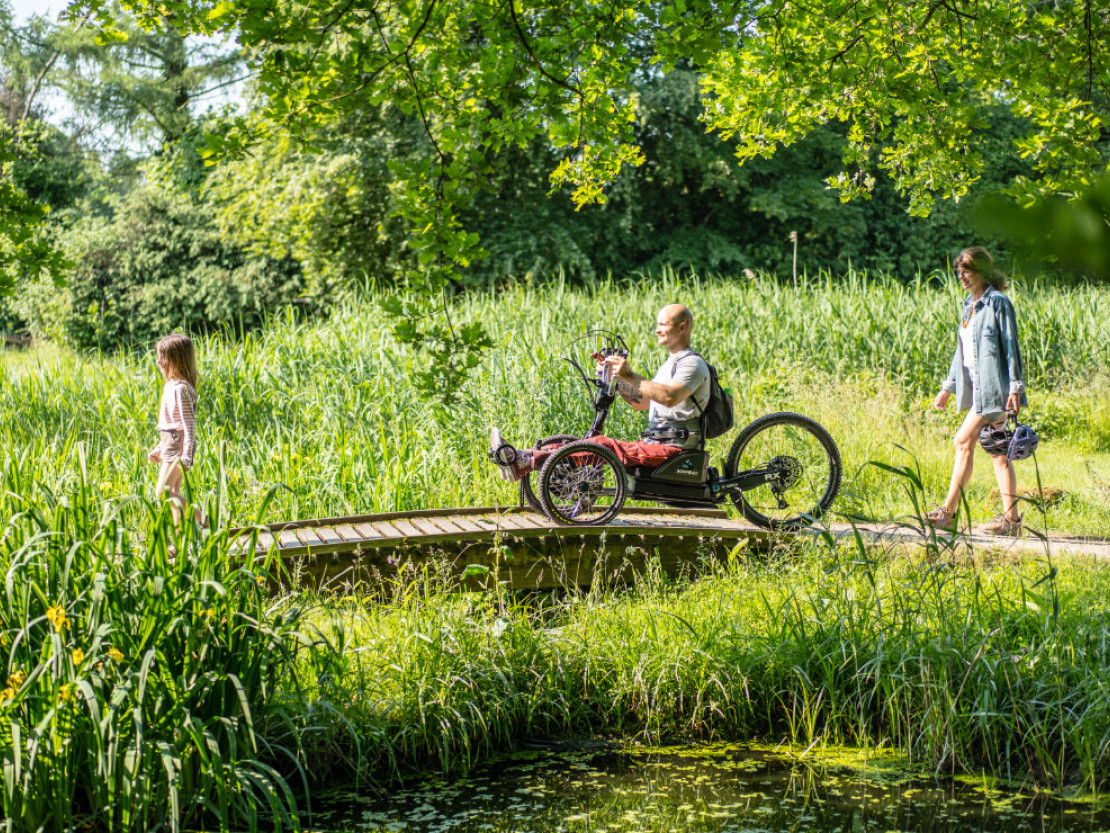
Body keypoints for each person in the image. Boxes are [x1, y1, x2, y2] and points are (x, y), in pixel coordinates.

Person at [489, 304, 711, 479]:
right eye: (657, 324)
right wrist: (615, 378)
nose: (657, 329)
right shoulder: (671, 364)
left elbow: (670, 397)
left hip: (674, 452)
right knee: (575, 444)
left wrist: (629, 375)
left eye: (663, 324)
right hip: (654, 445)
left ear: (682, 328)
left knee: (602, 445)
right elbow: (643, 402)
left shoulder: (692, 364)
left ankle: (525, 462)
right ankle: (519, 456)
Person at [926, 247, 1027, 536]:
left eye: (966, 271)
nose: (961, 276)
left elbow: (1012, 348)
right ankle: (1011, 522)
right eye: (959, 271)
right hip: (978, 390)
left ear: (982, 271)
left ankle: (948, 513)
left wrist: (1015, 388)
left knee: (962, 441)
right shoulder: (969, 305)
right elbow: (962, 353)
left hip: (995, 389)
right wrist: (949, 387)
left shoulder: (998, 303)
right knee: (998, 453)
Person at [148, 333, 202, 526]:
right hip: (171, 444)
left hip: (179, 448)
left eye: (164, 357)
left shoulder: (180, 389)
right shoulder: (171, 385)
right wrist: (160, 448)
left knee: (161, 492)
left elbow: (188, 426)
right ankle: (179, 541)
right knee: (173, 495)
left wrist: (186, 456)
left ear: (177, 359)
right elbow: (171, 425)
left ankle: (204, 520)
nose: (159, 361)